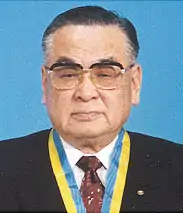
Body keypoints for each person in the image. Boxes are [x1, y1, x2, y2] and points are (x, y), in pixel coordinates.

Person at [1, 5, 183, 212]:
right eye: (68, 74)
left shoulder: (177, 168)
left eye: (105, 74)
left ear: (134, 83)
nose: (86, 93)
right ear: (45, 84)